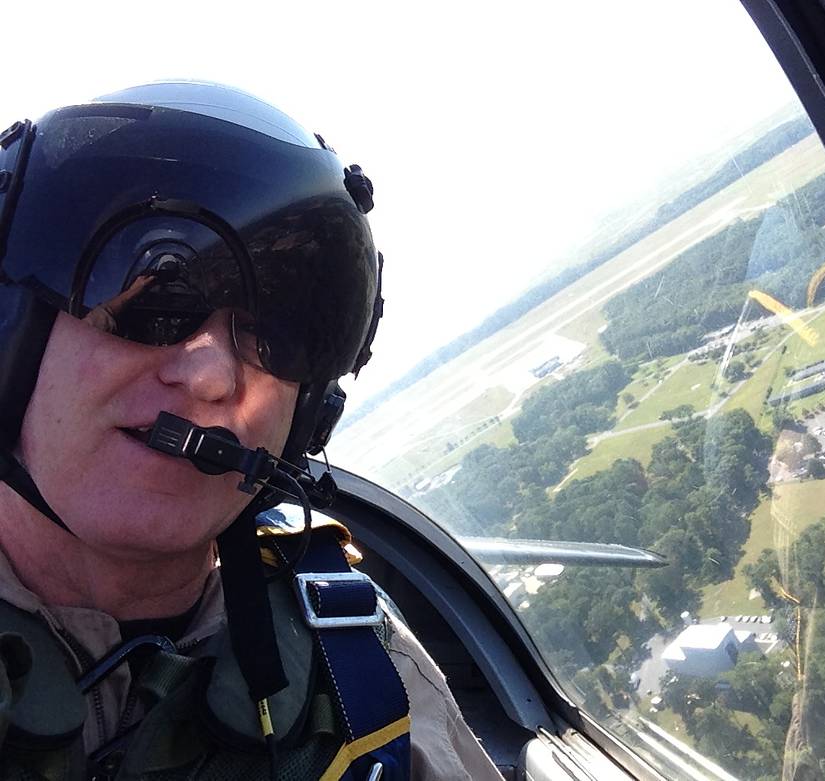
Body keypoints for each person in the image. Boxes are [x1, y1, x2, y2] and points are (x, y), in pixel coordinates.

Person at [0, 82, 502, 780]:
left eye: (275, 331)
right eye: (159, 300)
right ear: (13, 328)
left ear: (310, 410)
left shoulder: (368, 682)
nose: (210, 376)